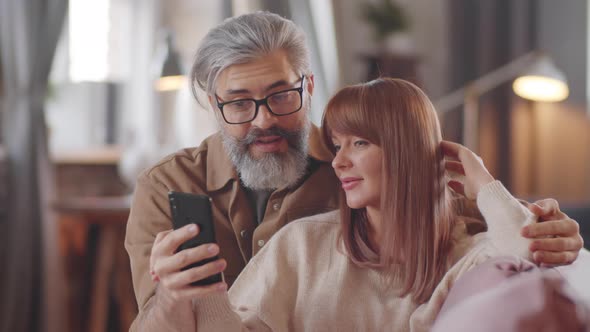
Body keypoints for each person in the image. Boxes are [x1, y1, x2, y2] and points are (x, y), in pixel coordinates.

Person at [125, 12, 584, 331]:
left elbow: (462, 221)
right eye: (240, 103)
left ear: (308, 87)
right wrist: (173, 296)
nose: (263, 119)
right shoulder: (168, 186)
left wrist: (548, 229)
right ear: (211, 103)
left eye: (280, 95)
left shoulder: (363, 172)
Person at [185, 77, 583, 331]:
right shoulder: (301, 245)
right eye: (338, 145)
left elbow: (527, 257)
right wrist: (197, 296)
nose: (339, 162)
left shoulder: (468, 255)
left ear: (406, 150)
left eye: (359, 143)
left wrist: (483, 184)